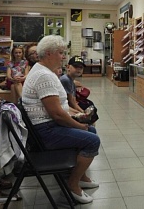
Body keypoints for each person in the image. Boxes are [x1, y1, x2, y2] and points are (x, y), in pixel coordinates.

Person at [22, 35, 100, 204]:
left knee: (91, 130)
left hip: (44, 127)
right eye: (61, 53)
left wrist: (78, 118)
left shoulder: (41, 71)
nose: (64, 57)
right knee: (93, 140)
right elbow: (56, 114)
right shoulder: (44, 76)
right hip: (45, 132)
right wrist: (79, 125)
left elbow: (59, 108)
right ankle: (72, 184)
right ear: (49, 54)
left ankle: (80, 176)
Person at [59, 58, 99, 128]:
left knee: (91, 106)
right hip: (66, 109)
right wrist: (82, 112)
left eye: (81, 67)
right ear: (68, 67)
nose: (79, 69)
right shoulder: (66, 80)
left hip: (70, 106)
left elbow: (73, 99)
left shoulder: (71, 80)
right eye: (76, 67)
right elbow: (71, 103)